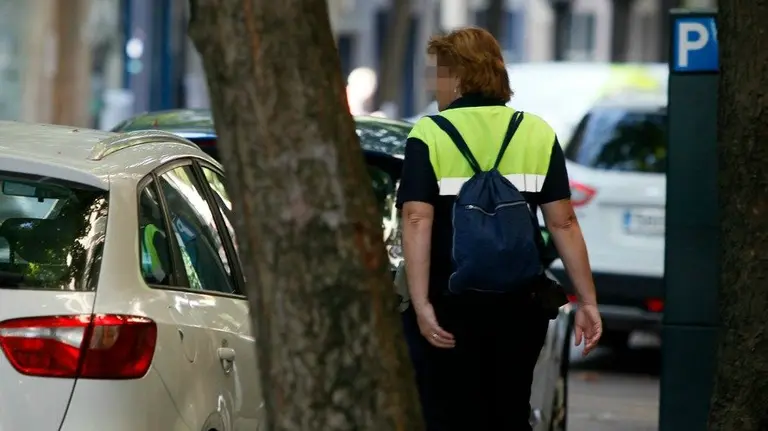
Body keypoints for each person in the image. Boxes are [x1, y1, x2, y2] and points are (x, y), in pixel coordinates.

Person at [397, 27, 603, 430]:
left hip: (449, 305)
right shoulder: (537, 132)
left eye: (438, 72)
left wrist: (421, 304)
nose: (432, 82)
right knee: (508, 413)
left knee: (446, 415)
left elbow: (417, 218)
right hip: (519, 307)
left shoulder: (430, 133)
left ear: (458, 76)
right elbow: (563, 221)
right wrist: (589, 301)